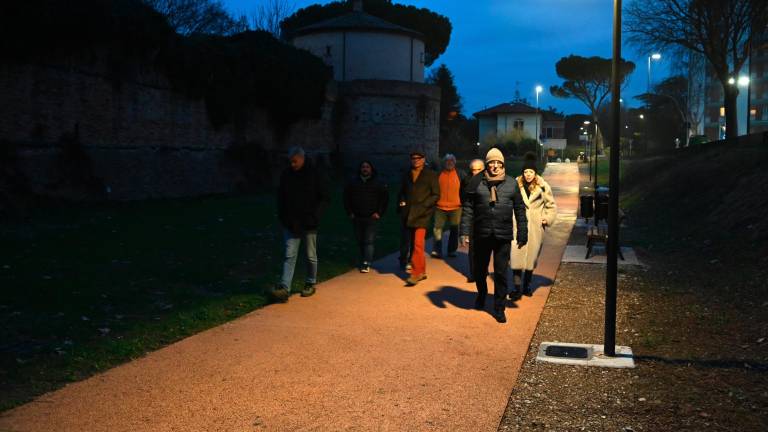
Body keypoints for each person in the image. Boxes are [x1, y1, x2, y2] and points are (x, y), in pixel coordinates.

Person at [460, 148, 527, 323]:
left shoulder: (512, 184)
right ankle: (481, 295)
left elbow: (520, 210)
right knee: (479, 270)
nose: (495, 166)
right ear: (487, 164)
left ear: (503, 164)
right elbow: (468, 209)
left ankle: (499, 307)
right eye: (491, 163)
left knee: (500, 273)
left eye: (498, 163)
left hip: (502, 235)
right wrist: (464, 232)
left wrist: (522, 232)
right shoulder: (476, 183)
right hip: (481, 234)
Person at [274, 147, 329, 301]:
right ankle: (285, 287)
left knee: (310, 255)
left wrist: (315, 217)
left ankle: (310, 282)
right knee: (289, 254)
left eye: (295, 161)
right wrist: (284, 218)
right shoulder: (287, 175)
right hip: (291, 222)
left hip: (309, 221)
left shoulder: (315, 174)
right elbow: (281, 198)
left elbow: (324, 197)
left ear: (302, 158)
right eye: (291, 161)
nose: (292, 164)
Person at [511, 155, 557, 297]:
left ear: (535, 173)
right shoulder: (515, 185)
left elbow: (551, 205)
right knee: (516, 256)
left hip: (535, 227)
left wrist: (547, 218)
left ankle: (527, 286)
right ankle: (517, 288)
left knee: (531, 258)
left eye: (531, 172)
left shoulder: (543, 187)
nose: (528, 174)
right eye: (525, 172)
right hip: (517, 225)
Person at [397, 149, 440, 286]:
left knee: (417, 243)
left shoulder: (431, 175)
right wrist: (401, 203)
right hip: (408, 213)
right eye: (413, 158)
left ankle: (415, 273)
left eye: (418, 158)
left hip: (423, 213)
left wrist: (425, 205)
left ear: (423, 159)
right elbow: (402, 191)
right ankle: (421, 271)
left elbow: (436, 194)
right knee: (414, 244)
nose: (415, 160)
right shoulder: (406, 174)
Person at [344, 160, 389, 273]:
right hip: (357, 216)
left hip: (371, 217)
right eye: (363, 167)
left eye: (367, 167)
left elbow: (384, 199)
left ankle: (366, 262)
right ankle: (363, 258)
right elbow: (346, 198)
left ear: (371, 169)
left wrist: (379, 212)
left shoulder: (377, 183)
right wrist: (350, 212)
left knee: (368, 240)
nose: (365, 169)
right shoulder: (353, 183)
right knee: (360, 240)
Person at [431, 154, 465, 259]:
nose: (449, 163)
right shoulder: (438, 174)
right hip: (439, 207)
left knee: (454, 230)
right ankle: (437, 251)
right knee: (437, 229)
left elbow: (466, 187)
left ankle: (451, 251)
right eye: (447, 161)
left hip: (456, 207)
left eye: (451, 161)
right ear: (444, 163)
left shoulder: (460, 174)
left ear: (454, 163)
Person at [462, 159, 485, 283]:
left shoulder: (488, 181)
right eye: (473, 170)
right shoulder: (466, 181)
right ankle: (474, 273)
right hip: (472, 218)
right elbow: (463, 198)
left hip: (485, 219)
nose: (475, 172)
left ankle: (482, 270)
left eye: (478, 169)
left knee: (484, 248)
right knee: (473, 249)